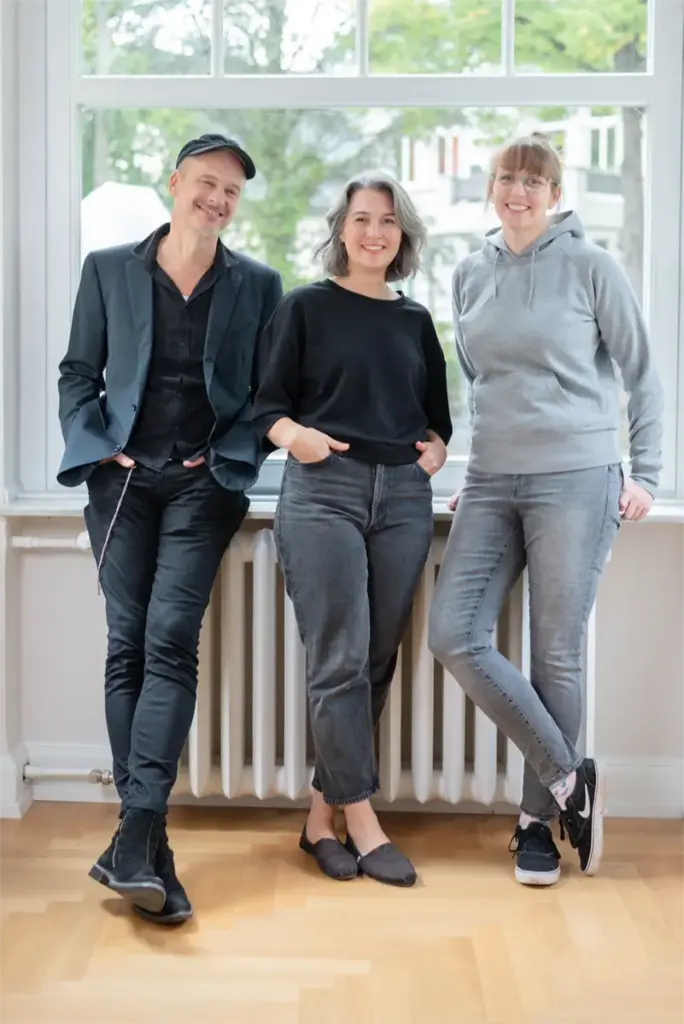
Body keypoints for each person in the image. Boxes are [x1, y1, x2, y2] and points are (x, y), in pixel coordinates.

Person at [57, 133, 282, 923]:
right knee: (127, 641)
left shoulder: (257, 284)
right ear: (176, 182)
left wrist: (236, 453)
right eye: (207, 184)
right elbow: (78, 373)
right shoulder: (108, 269)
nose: (218, 200)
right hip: (119, 483)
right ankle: (145, 846)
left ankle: (136, 832)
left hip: (202, 485)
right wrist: (98, 444)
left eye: (232, 192)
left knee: (169, 637)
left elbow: (267, 394)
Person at [428, 131, 663, 886]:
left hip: (578, 476)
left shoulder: (591, 267)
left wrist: (649, 472)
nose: (518, 191)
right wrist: (476, 469)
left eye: (534, 181)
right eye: (506, 178)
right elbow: (480, 385)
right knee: (453, 634)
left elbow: (645, 373)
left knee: (553, 651)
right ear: (490, 187)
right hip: (494, 478)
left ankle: (535, 824)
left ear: (556, 195)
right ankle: (571, 780)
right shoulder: (469, 273)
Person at [252, 171, 452, 887]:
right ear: (341, 228)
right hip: (324, 490)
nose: (375, 233)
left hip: (401, 496)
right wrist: (294, 436)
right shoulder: (304, 308)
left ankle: (317, 821)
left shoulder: (414, 319)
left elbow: (438, 418)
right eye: (363, 219)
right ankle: (363, 822)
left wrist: (435, 451)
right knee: (337, 657)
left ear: (403, 237)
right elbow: (263, 406)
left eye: (389, 223)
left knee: (371, 662)